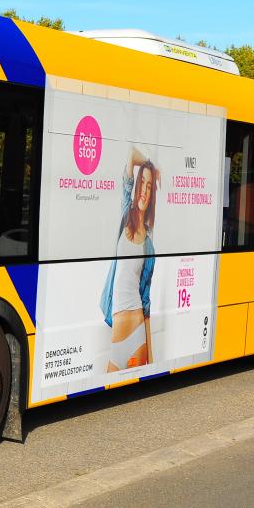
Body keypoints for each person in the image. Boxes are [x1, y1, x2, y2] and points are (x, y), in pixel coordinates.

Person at [100, 147, 160, 371]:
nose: (144, 190)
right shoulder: (126, 215)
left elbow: (146, 299)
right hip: (117, 329)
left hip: (136, 329)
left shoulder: (149, 246)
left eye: (149, 186)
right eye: (141, 182)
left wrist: (151, 356)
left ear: (152, 195)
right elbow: (131, 154)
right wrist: (152, 167)